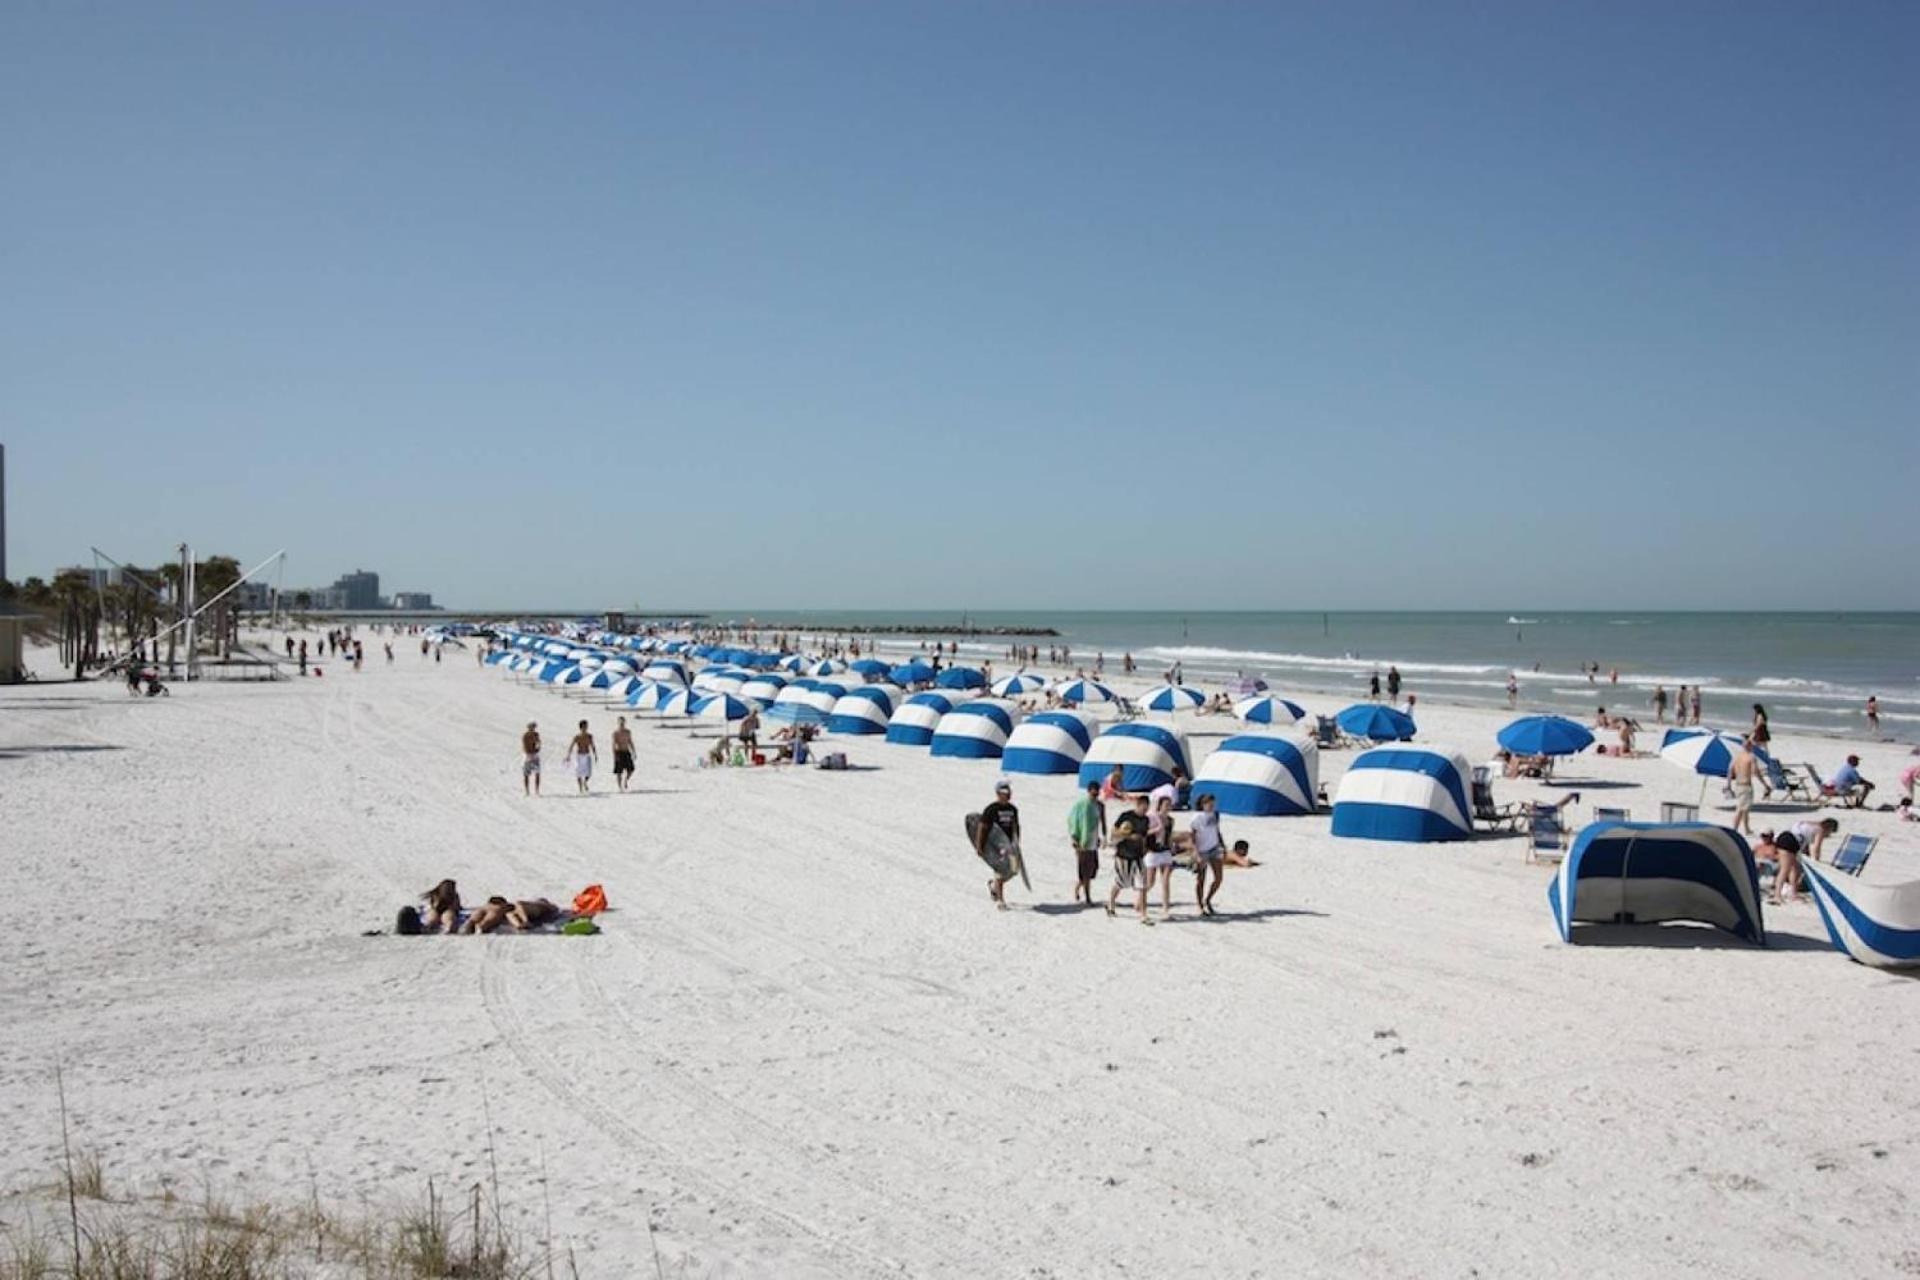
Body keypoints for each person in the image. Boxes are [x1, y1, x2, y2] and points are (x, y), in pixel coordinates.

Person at [1106, 795, 1152, 923]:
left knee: (1142, 885)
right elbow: (1113, 832)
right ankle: (1111, 902)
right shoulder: (1126, 816)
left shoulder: (1146, 820)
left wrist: (1145, 848)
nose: (1145, 810)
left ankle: (1143, 914)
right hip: (1124, 855)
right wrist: (1128, 836)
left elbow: (1144, 837)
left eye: (1147, 808)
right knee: (1122, 882)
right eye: (1143, 807)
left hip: (1138, 857)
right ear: (1138, 805)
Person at [976, 779, 1021, 910]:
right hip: (995, 846)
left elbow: (1016, 826)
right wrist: (979, 845)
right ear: (998, 793)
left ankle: (994, 886)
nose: (1008, 794)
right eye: (1005, 792)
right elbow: (982, 827)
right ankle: (1000, 900)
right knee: (1000, 870)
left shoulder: (1013, 809)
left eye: (1009, 792)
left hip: (1009, 844)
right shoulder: (991, 809)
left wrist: (1017, 842)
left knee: (1014, 869)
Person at [1066, 779, 1106, 906]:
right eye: (1093, 794)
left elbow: (1103, 822)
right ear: (1088, 792)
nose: (1095, 797)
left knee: (1093, 870)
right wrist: (1074, 838)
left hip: (1093, 842)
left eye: (1097, 794)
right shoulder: (1081, 805)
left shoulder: (1100, 806)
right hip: (1082, 843)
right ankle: (1088, 897)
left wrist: (1104, 837)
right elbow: (1073, 820)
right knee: (1085, 870)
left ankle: (1078, 887)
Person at [1186, 793, 1226, 915]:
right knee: (1201, 879)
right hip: (1202, 850)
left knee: (1218, 878)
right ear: (1202, 804)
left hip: (1214, 848)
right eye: (1208, 803)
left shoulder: (1215, 814)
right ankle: (1199, 905)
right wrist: (1195, 852)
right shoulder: (1197, 817)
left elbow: (1217, 831)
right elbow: (1192, 836)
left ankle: (1208, 899)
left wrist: (1222, 845)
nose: (1211, 806)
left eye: (1212, 803)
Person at [1728, 737, 1764, 834]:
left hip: (1738, 785)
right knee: (1740, 809)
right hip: (1746, 785)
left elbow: (1730, 770)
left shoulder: (1736, 756)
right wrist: (1764, 784)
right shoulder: (1751, 757)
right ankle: (1734, 830)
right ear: (1750, 746)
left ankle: (1747, 829)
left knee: (1745, 808)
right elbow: (1755, 772)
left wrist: (1728, 785)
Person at [565, 719, 596, 794]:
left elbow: (592, 745)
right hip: (579, 755)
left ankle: (585, 782)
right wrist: (568, 755)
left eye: (586, 726)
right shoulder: (577, 737)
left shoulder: (590, 736)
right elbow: (571, 746)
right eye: (584, 727)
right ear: (581, 728)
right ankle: (580, 788)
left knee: (588, 772)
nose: (586, 728)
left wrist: (595, 754)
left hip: (587, 754)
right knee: (578, 772)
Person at [611, 716, 636, 792]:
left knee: (631, 769)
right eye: (620, 723)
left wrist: (634, 751)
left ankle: (625, 780)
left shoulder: (628, 732)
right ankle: (619, 787)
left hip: (626, 752)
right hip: (619, 752)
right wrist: (614, 755)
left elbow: (630, 742)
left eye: (623, 722)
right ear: (618, 723)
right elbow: (613, 744)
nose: (622, 724)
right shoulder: (615, 733)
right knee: (619, 772)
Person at [520, 722, 542, 797]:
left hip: (534, 755)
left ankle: (537, 791)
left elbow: (538, 743)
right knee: (526, 774)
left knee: (537, 773)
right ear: (528, 727)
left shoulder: (536, 734)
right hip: (527, 755)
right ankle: (527, 791)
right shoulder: (525, 735)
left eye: (534, 727)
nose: (533, 728)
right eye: (531, 727)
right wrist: (530, 753)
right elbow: (525, 746)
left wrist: (537, 749)